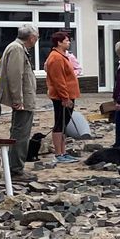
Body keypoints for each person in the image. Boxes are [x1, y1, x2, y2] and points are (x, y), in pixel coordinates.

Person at [0, 24, 39, 177]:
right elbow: (15, 75)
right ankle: (15, 169)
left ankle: (13, 167)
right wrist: (17, 99)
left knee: (18, 132)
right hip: (23, 100)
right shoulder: (16, 49)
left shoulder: (15, 47)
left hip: (24, 98)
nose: (37, 40)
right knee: (21, 134)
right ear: (32, 37)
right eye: (37, 37)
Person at [45, 30, 80, 163]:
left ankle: (63, 152)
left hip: (67, 95)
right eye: (66, 41)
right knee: (59, 123)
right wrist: (65, 98)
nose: (68, 43)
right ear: (59, 42)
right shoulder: (56, 58)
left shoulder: (62, 56)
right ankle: (59, 154)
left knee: (64, 124)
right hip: (61, 97)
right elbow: (58, 80)